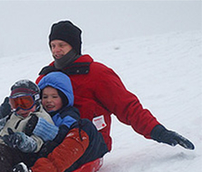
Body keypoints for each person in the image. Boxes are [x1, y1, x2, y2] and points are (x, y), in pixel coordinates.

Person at [34, 20, 195, 152]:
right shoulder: (47, 76)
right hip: (52, 140)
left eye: (62, 45)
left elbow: (127, 107)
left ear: (74, 47)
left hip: (89, 143)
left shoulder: (97, 73)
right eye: (53, 45)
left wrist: (158, 131)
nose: (56, 50)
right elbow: (30, 106)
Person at [13, 71, 108, 172]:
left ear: (64, 98)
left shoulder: (68, 114)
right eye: (45, 97)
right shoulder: (37, 114)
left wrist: (38, 127)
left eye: (54, 97)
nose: (49, 100)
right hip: (53, 161)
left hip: (75, 154)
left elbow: (62, 135)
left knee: (84, 126)